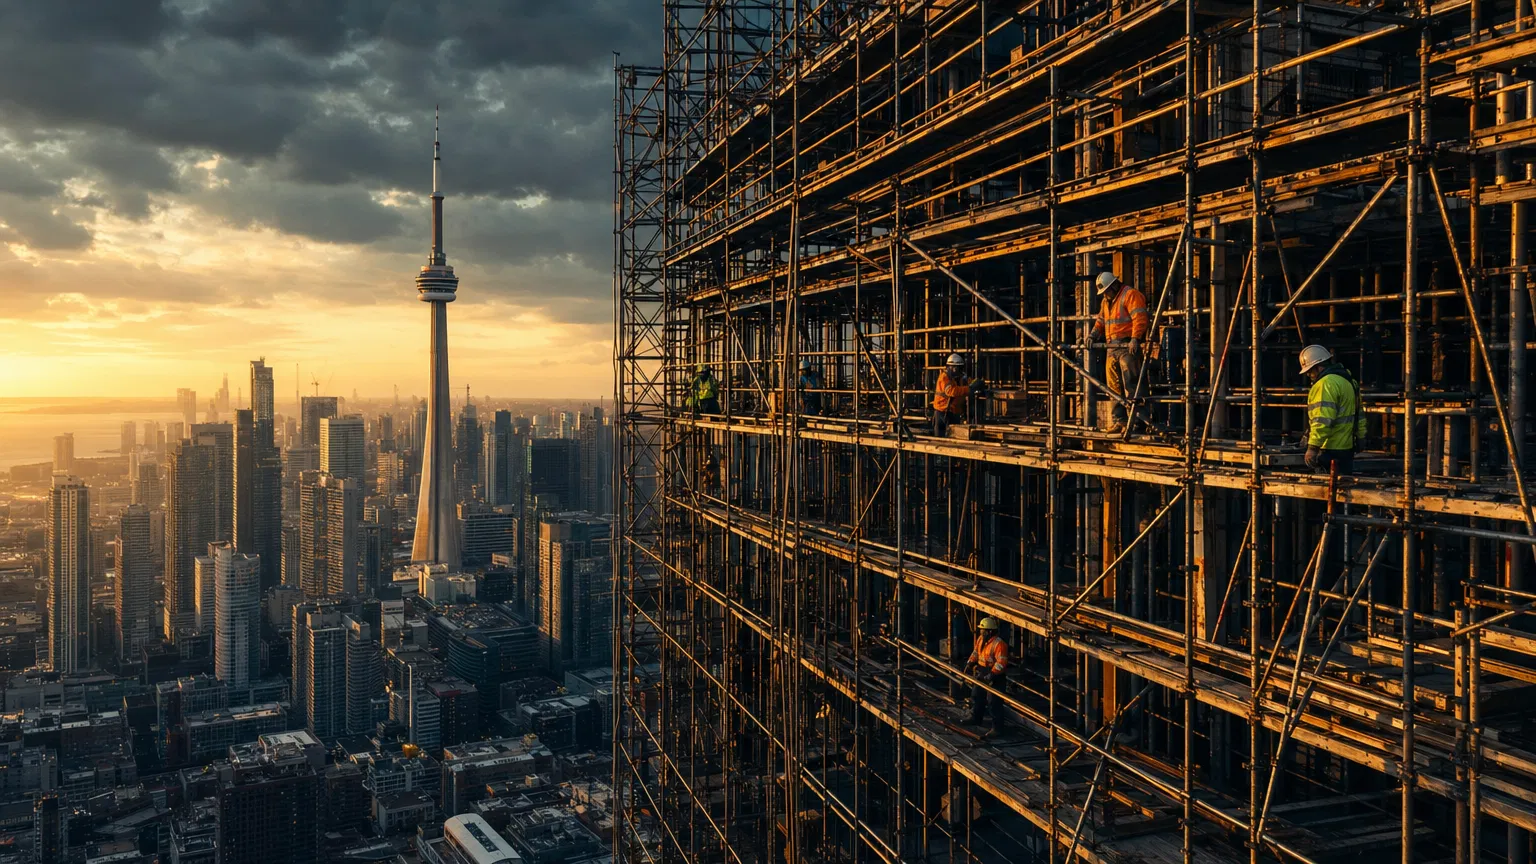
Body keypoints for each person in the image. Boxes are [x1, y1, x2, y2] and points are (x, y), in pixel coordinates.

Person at [1087, 271, 1149, 433]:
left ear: (1115, 285)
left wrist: (1135, 338)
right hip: (1111, 347)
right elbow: (1101, 320)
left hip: (1127, 345)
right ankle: (1119, 421)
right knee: (1113, 387)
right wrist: (1093, 334)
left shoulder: (1130, 294)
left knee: (1132, 385)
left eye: (1107, 291)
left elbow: (1140, 318)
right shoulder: (1107, 301)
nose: (1105, 294)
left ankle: (1138, 422)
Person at [1300, 345, 1366, 476]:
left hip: (1328, 449)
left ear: (1318, 367)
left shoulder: (1325, 383)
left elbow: (1322, 420)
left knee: (1326, 492)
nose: (1308, 375)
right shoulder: (1349, 381)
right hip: (1346, 449)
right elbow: (1360, 415)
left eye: (1310, 371)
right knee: (1343, 491)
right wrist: (1361, 437)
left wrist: (1313, 447)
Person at [965, 617, 1008, 734]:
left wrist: (992, 674)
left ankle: (997, 729)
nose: (980, 632)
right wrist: (970, 663)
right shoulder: (981, 639)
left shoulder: (999, 644)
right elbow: (975, 652)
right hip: (982, 671)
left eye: (982, 631)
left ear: (989, 631)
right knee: (977, 695)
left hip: (995, 676)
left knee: (994, 702)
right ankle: (975, 718)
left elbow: (1001, 663)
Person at [932, 353, 985, 436]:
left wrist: (975, 384)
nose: (959, 371)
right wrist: (969, 388)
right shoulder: (944, 378)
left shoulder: (955, 378)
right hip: (943, 413)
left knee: (952, 437)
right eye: (958, 368)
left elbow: (966, 385)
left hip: (951, 413)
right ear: (952, 367)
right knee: (942, 438)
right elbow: (951, 391)